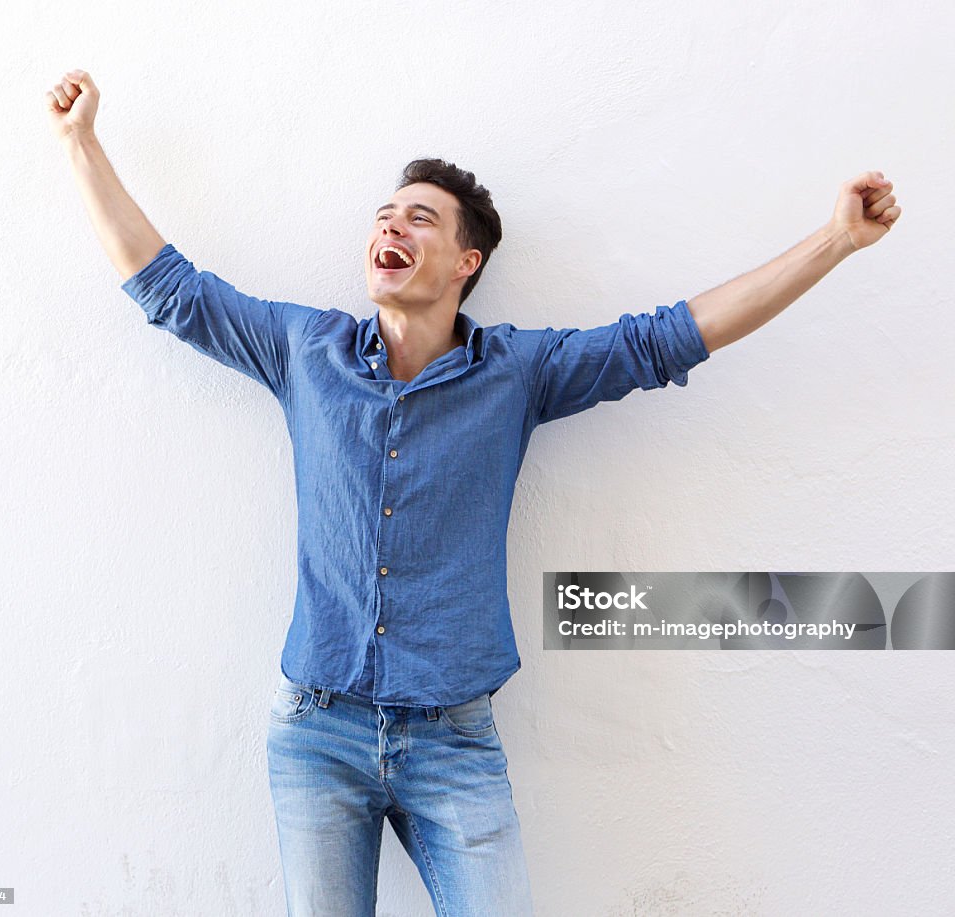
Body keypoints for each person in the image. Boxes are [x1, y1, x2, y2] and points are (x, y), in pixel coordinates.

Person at [46, 68, 901, 916]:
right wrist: (82, 144)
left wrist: (835, 241)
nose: (392, 224)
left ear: (467, 260)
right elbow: (170, 290)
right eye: (384, 215)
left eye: (420, 217)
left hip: (453, 743)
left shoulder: (518, 372)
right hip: (315, 729)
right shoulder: (307, 350)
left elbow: (668, 338)